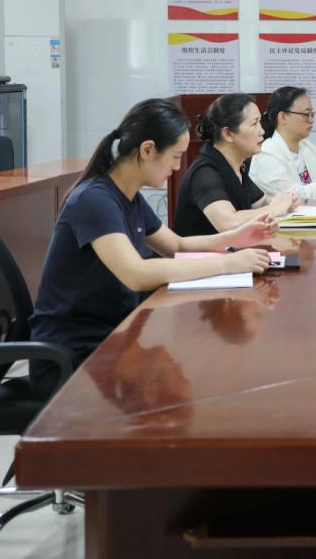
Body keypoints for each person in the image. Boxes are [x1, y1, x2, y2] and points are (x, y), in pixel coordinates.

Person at [29, 99, 275, 396]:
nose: (177, 166)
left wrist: (234, 237)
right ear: (147, 150)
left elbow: (177, 245)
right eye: (175, 156)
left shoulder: (129, 197)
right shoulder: (95, 200)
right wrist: (227, 263)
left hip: (114, 334)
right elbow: (136, 274)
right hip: (74, 353)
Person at [174, 93, 297, 236]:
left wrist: (285, 201)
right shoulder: (204, 172)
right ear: (228, 134)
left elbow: (261, 203)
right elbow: (228, 222)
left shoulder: (237, 166)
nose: (262, 131)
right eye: (254, 124)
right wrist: (275, 208)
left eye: (260, 122)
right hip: (203, 251)